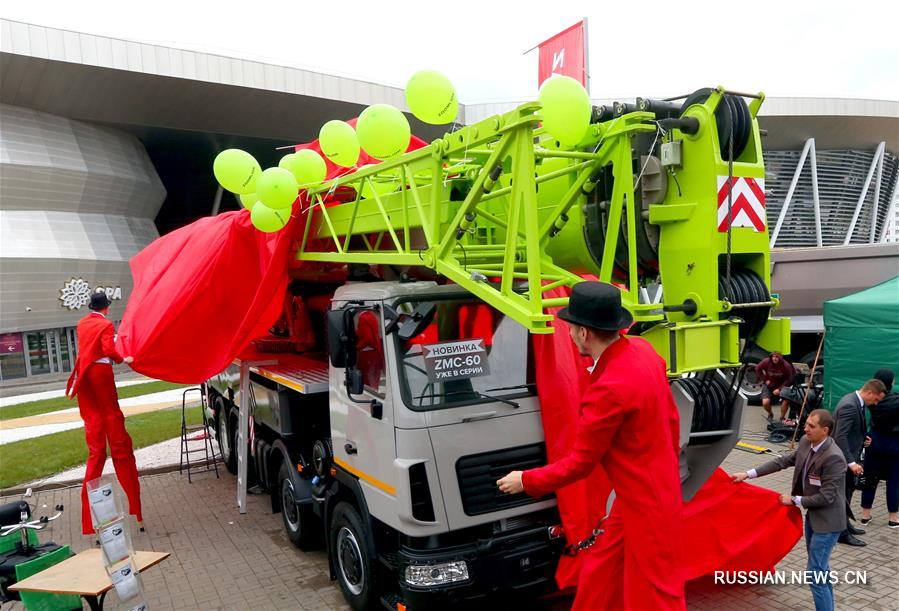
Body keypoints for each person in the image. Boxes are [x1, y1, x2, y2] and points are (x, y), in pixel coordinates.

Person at [496, 281, 684, 610]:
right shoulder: (642, 350)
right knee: (603, 570)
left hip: (645, 502)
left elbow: (579, 464)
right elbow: (670, 421)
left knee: (659, 593)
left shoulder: (608, 390)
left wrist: (526, 480)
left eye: (569, 328)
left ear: (584, 333)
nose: (566, 334)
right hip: (646, 492)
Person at [732, 409, 846, 611]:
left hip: (828, 523)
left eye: (811, 426)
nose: (806, 428)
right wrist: (748, 474)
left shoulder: (834, 457)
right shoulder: (805, 442)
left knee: (815, 573)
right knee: (820, 568)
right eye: (806, 424)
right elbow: (782, 461)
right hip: (814, 518)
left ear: (825, 430)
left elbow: (826, 497)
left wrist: (794, 500)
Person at [66, 291, 143, 536]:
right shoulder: (105, 323)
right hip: (99, 373)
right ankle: (135, 509)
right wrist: (124, 358)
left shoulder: (82, 323)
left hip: (84, 375)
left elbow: (89, 347)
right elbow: (108, 349)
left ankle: (89, 523)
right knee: (113, 422)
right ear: (106, 307)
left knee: (96, 439)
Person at [833, 379, 886, 546]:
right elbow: (840, 436)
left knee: (847, 495)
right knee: (842, 496)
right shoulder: (850, 405)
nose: (876, 403)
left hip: (851, 456)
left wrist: (864, 439)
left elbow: (852, 431)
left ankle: (846, 526)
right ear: (870, 392)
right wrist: (851, 463)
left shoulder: (857, 402)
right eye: (876, 399)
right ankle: (841, 533)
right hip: (844, 460)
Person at [860, 369, 899, 528]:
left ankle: (865, 515)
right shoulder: (897, 401)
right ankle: (893, 518)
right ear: (889, 382)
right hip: (895, 444)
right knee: (894, 481)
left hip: (874, 442)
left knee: (870, 478)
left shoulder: (873, 402)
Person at [755, 351, 794, 422]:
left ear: (780, 358)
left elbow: (789, 379)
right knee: (765, 402)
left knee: (786, 400)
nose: (774, 359)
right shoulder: (766, 361)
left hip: (781, 385)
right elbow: (757, 369)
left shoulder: (786, 365)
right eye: (773, 357)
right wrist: (765, 379)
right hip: (769, 385)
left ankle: (782, 417)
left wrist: (780, 389)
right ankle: (770, 414)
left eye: (776, 357)